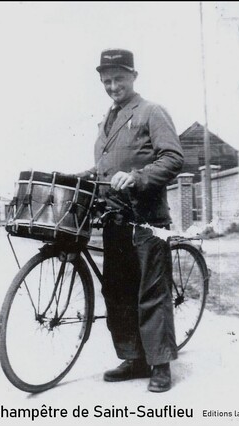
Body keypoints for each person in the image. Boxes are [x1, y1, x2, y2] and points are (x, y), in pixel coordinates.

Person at [78, 48, 184, 392]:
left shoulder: (151, 111)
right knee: (118, 291)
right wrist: (81, 176)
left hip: (147, 220)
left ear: (133, 77)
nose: (112, 86)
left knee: (150, 292)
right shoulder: (108, 119)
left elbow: (172, 158)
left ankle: (161, 365)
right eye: (106, 81)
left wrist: (137, 177)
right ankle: (133, 358)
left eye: (118, 79)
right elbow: (106, 167)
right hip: (115, 220)